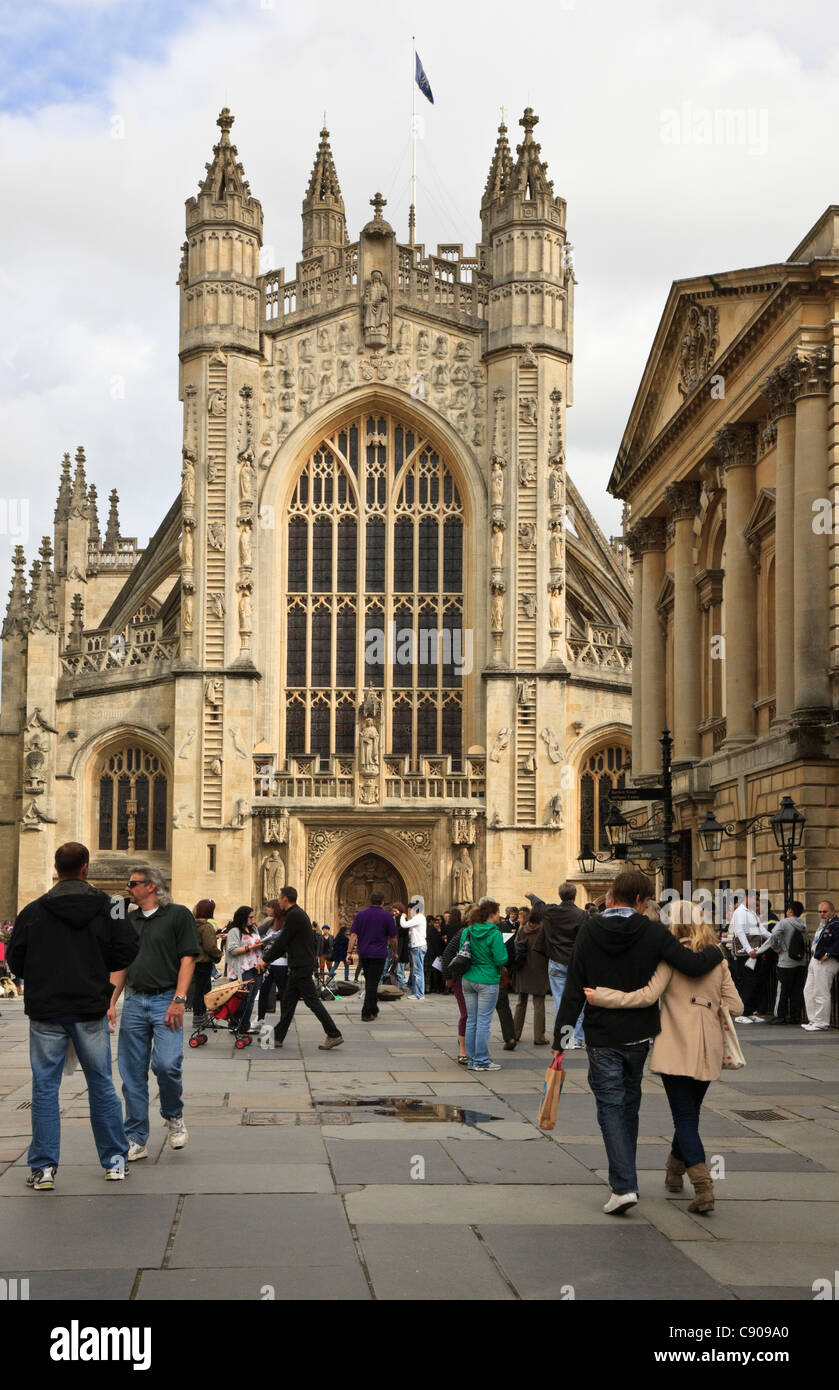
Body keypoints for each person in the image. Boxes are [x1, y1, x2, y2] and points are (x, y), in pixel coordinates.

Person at [553, 869, 724, 1215]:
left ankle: (624, 1185)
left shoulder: (589, 929)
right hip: (638, 1036)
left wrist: (562, 1038)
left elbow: (574, 988)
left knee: (611, 1108)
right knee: (629, 1106)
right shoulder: (653, 931)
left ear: (616, 896)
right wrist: (718, 953)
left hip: (601, 1035)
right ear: (641, 900)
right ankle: (625, 1180)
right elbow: (691, 965)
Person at [584, 899, 742, 1215]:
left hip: (675, 1044)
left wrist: (602, 996)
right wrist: (707, 1007)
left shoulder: (668, 961)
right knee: (690, 1113)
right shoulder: (718, 961)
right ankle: (673, 1170)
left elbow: (645, 997)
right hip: (708, 1045)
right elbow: (736, 1006)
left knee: (684, 1116)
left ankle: (702, 1185)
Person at [7, 842, 138, 1190]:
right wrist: (96, 966)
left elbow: (15, 961)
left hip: (47, 1009)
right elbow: (127, 949)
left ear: (57, 867)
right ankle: (114, 1161)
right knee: (101, 1084)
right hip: (90, 1007)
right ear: (85, 867)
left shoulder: (34, 910)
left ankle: (44, 1167)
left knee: (45, 1089)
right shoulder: (111, 907)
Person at [109, 865, 200, 1160]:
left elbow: (188, 959)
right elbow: (120, 964)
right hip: (135, 1002)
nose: (127, 889)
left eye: (132, 884)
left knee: (167, 1064)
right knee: (132, 1073)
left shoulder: (178, 915)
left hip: (166, 1000)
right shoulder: (126, 919)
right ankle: (136, 1136)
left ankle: (173, 1116)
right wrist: (110, 1002)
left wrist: (179, 999)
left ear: (151, 886)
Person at [263, 887, 343, 1050]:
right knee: (288, 1002)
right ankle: (278, 1037)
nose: (278, 900)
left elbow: (282, 942)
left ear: (285, 899)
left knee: (312, 1001)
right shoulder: (297, 914)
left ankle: (334, 1034)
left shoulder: (294, 915)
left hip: (301, 966)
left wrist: (265, 959)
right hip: (299, 965)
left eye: (279, 897)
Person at [527, 883, 587, 1049]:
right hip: (575, 962)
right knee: (579, 1000)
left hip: (556, 960)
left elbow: (539, 906)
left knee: (560, 1000)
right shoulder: (581, 914)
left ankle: (564, 1039)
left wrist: (531, 895)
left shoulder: (551, 911)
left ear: (560, 896)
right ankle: (577, 1038)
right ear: (574, 896)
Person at [458, 900, 508, 1071]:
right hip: (487, 979)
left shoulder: (467, 931)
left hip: (468, 978)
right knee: (484, 1022)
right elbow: (501, 959)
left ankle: (471, 1059)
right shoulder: (494, 934)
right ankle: (481, 1060)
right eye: (498, 913)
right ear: (492, 914)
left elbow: (463, 953)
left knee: (472, 1020)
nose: (499, 916)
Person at [751, 901, 808, 1025]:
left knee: (782, 990)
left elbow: (773, 938)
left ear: (790, 911)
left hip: (786, 962)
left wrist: (770, 949)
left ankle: (780, 1015)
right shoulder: (803, 925)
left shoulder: (784, 923)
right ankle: (795, 1016)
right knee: (796, 990)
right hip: (800, 962)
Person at [348, 893, 398, 1021]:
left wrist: (349, 952)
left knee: (370, 982)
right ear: (382, 902)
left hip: (364, 953)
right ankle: (366, 1012)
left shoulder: (360, 915)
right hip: (379, 954)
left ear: (370, 901)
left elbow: (353, 935)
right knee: (372, 983)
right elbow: (393, 938)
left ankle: (374, 1008)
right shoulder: (387, 916)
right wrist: (395, 951)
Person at [728, 890, 771, 1022]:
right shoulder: (740, 912)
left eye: (757, 899)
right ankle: (742, 1012)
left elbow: (761, 930)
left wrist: (773, 938)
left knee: (754, 982)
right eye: (754, 899)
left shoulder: (751, 913)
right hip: (745, 954)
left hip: (755, 951)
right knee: (747, 982)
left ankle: (749, 1011)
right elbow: (739, 932)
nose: (756, 902)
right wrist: (748, 949)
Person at [513, 904, 550, 1045]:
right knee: (539, 1003)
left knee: (521, 1002)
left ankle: (515, 1034)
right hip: (539, 969)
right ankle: (539, 1037)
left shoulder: (523, 929)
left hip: (523, 968)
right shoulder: (544, 930)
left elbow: (516, 945)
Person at [225, 906, 264, 1035]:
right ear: (243, 917)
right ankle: (235, 1024)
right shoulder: (235, 931)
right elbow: (232, 950)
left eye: (253, 917)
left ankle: (244, 1025)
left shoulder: (254, 929)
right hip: (243, 969)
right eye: (250, 917)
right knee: (243, 998)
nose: (253, 920)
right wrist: (251, 947)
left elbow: (258, 944)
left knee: (251, 998)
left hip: (256, 967)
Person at [802, 900, 839, 1031]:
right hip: (815, 959)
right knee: (809, 990)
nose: (822, 914)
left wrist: (829, 954)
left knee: (821, 992)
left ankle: (822, 1022)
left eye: (825, 911)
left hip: (826, 961)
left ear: (832, 911)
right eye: (820, 911)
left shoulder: (835, 924)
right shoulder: (823, 924)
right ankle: (814, 1020)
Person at [441, 908, 469, 1064]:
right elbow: (448, 953)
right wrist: (448, 977)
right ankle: (464, 1049)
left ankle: (470, 1048)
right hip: (464, 978)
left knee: (474, 1017)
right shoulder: (465, 932)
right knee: (468, 1015)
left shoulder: (492, 932)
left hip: (478, 979)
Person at [191, 898, 222, 1022]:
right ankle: (200, 1015)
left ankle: (198, 1014)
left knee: (198, 988)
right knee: (203, 989)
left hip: (194, 961)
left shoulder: (192, 924)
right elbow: (210, 946)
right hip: (204, 962)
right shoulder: (206, 927)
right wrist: (218, 955)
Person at [257, 902, 288, 1021]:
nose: (267, 909)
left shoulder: (284, 922)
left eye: (269, 907)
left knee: (283, 992)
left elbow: (279, 937)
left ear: (275, 908)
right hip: (269, 962)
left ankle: (284, 1020)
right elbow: (257, 931)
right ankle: (260, 1018)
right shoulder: (270, 921)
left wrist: (265, 940)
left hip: (281, 962)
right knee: (264, 990)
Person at [401, 896, 427, 1001]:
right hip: (419, 946)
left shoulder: (418, 917)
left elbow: (404, 925)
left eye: (409, 910)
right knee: (417, 971)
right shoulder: (420, 918)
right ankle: (417, 992)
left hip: (418, 947)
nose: (409, 912)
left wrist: (402, 917)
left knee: (418, 972)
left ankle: (419, 994)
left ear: (414, 909)